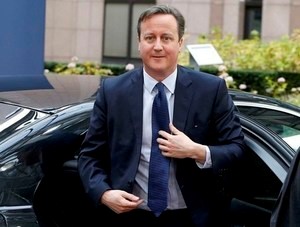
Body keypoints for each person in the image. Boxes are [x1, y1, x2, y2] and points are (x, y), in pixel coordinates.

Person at [78, 4, 245, 227]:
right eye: (150, 38)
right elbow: (89, 156)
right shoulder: (113, 91)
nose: (157, 46)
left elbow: (236, 149)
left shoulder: (210, 90)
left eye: (166, 38)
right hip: (129, 215)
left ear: (180, 43)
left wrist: (196, 151)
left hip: (191, 217)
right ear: (139, 43)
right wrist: (104, 194)